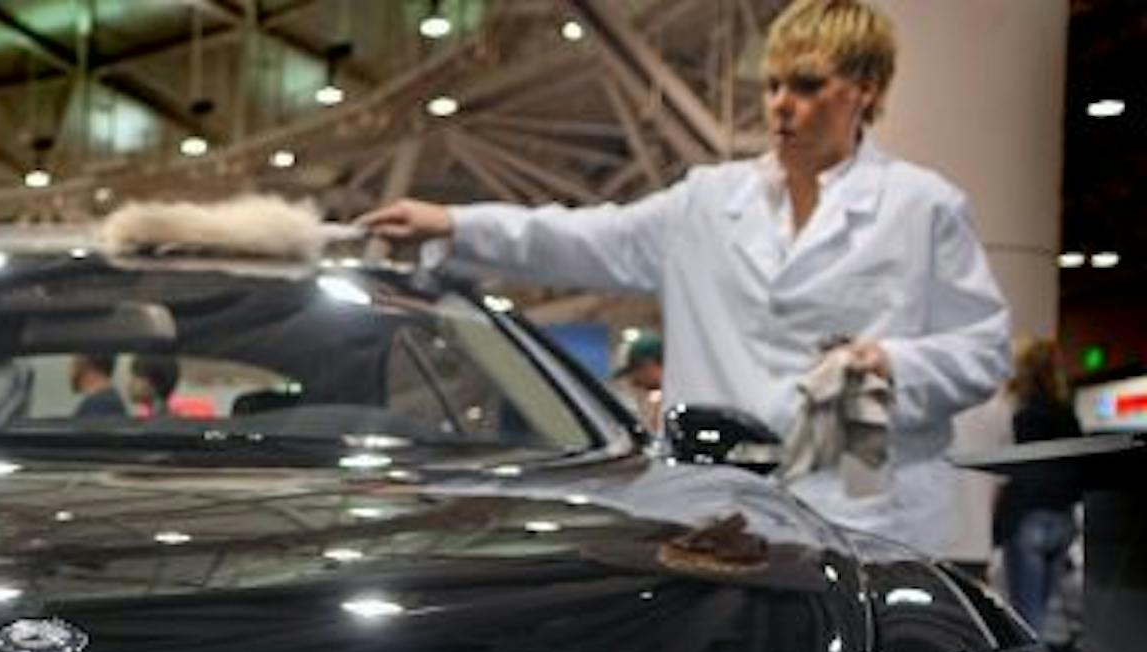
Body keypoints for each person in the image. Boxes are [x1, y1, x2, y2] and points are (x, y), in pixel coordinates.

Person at [359, 0, 1009, 557]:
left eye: (807, 86)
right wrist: (454, 225)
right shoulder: (707, 203)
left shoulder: (923, 207)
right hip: (721, 508)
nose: (782, 105)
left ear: (864, 89)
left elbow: (983, 351)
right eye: (773, 85)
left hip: (869, 507)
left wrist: (893, 363)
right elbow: (583, 237)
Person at [995, 335, 1083, 638]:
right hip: (1062, 520)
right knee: (1042, 617)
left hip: (1028, 518)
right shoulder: (1067, 414)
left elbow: (1013, 472)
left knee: (1024, 620)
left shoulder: (1021, 415)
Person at [612, 332, 666, 434]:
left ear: (648, 364)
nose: (632, 380)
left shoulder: (674, 396)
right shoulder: (656, 396)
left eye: (634, 371)